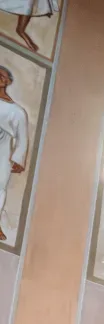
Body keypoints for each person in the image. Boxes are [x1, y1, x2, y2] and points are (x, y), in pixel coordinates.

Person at [0, 64, 28, 243]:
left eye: (3, 76)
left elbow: (22, 137)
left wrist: (18, 159)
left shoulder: (17, 111)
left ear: (8, 81)